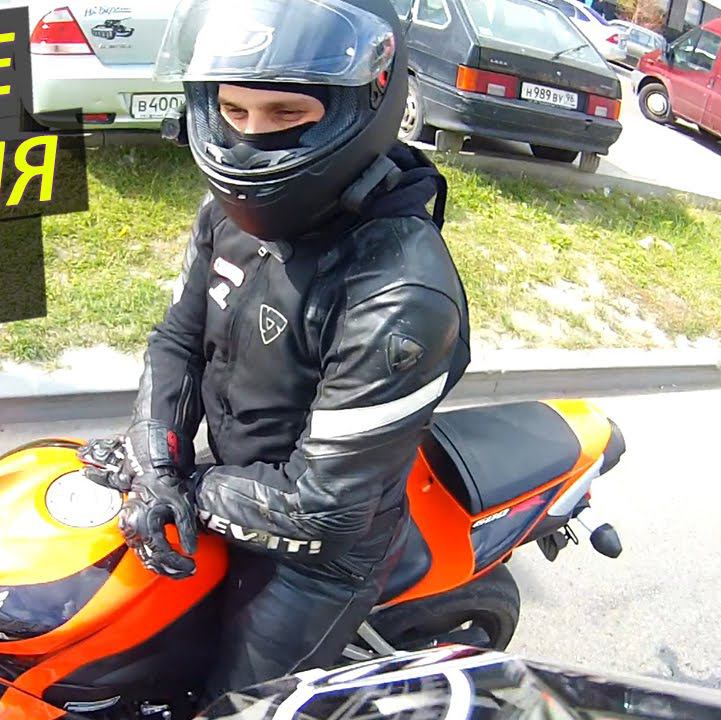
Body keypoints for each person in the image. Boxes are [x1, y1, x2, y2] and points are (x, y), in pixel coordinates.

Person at [79, 0, 471, 701]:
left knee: (233, 708)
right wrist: (156, 457)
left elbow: (324, 508)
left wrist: (182, 488)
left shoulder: (400, 291)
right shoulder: (225, 216)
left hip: (318, 557)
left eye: (286, 114)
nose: (249, 141)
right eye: (234, 111)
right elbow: (177, 340)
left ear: (361, 107)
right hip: (233, 482)